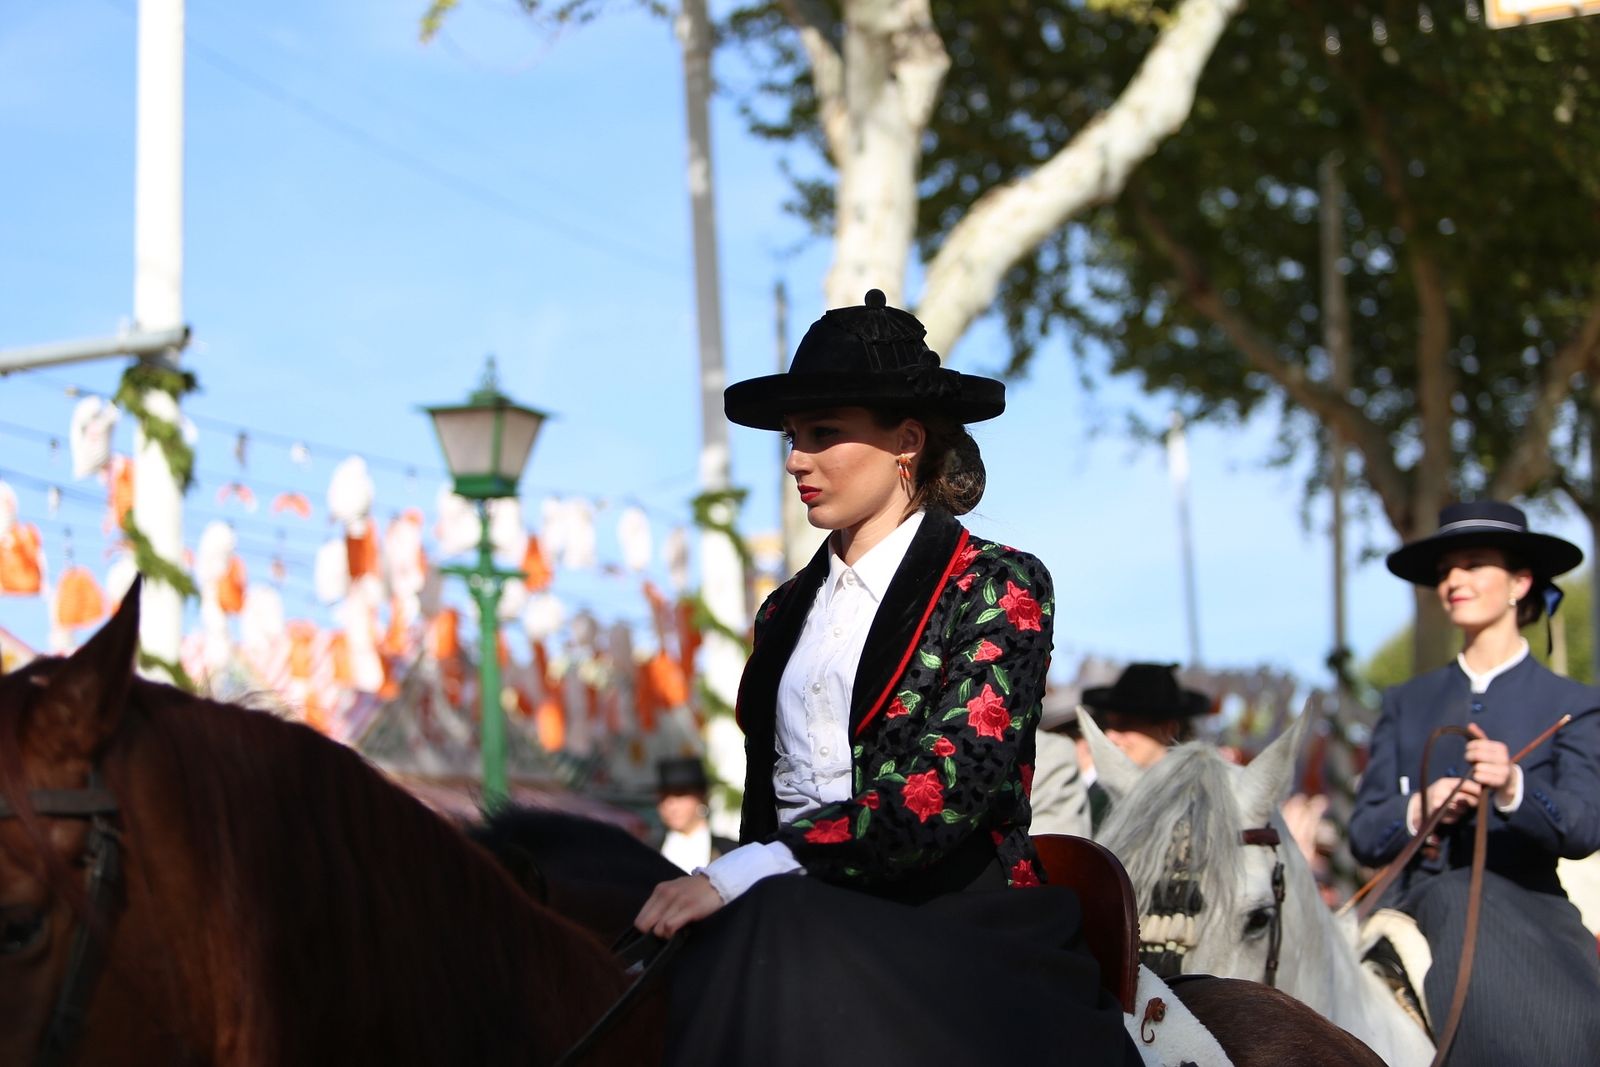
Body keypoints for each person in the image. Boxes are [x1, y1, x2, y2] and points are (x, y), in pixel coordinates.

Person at [634, 289, 1138, 1066]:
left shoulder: (998, 584)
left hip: (952, 918)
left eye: (825, 433)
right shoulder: (783, 610)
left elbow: (944, 790)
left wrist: (751, 871)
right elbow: (771, 795)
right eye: (794, 436)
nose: (797, 458)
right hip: (784, 908)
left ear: (907, 441)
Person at [1348, 501, 1600, 1066]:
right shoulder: (1403, 702)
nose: (1454, 580)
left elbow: (1585, 825)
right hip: (1409, 910)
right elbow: (1364, 833)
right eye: (1445, 571)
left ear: (1520, 581)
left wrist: (1514, 786)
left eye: (1474, 563)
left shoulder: (1575, 705)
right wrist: (1421, 806)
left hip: (1531, 913)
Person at [655, 756, 738, 873]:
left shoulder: (731, 852)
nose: (670, 805)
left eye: (680, 794)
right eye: (664, 797)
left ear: (701, 797)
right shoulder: (648, 851)